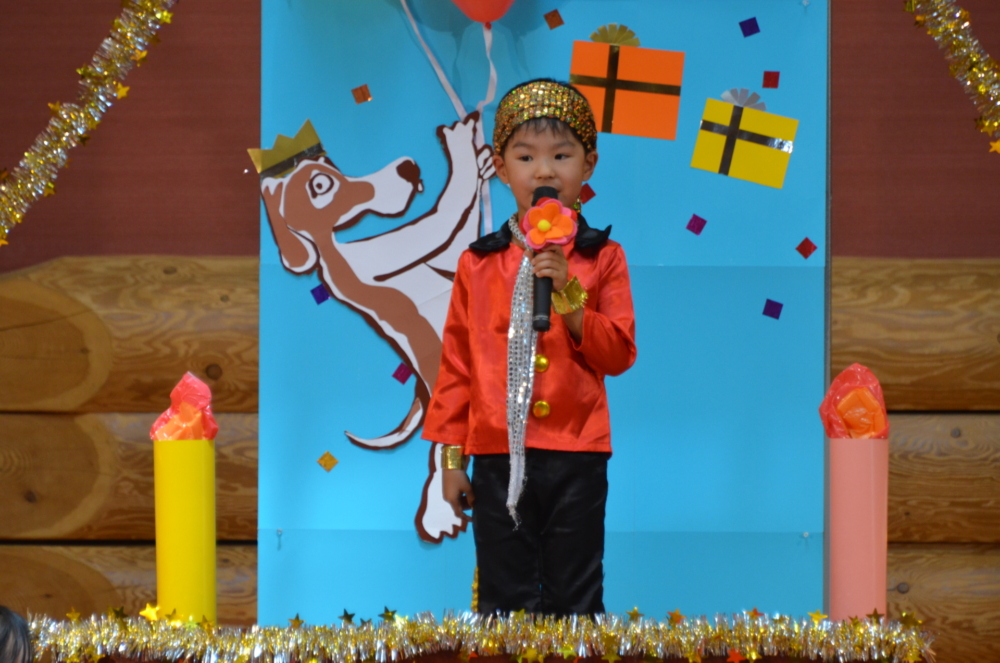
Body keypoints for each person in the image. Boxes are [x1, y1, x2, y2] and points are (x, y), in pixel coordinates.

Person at [422, 78, 637, 616]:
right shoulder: (478, 263)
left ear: (588, 165)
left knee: (576, 594)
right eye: (526, 157)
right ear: (500, 168)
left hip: (577, 452)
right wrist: (451, 459)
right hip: (497, 454)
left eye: (561, 156)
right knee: (504, 596)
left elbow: (618, 355)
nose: (544, 171)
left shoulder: (603, 257)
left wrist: (569, 296)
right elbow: (457, 366)